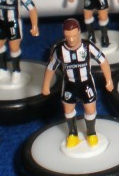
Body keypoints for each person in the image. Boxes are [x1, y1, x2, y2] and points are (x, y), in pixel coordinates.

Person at [42, 18, 114, 148]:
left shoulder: (88, 46)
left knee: (90, 109)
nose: (71, 39)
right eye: (67, 36)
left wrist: (109, 80)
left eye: (74, 36)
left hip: (86, 83)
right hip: (69, 84)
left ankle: (91, 133)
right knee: (68, 109)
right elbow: (51, 67)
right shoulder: (59, 49)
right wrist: (46, 85)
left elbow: (103, 61)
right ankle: (73, 134)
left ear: (79, 32)